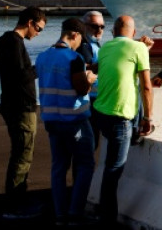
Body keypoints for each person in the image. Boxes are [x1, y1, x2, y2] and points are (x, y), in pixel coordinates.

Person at [35, 18, 97, 226]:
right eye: (81, 39)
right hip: (75, 120)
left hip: (51, 120)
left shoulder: (43, 57)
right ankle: (75, 212)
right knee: (86, 165)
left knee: (59, 167)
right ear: (75, 35)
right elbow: (81, 88)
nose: (81, 44)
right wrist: (89, 78)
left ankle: (60, 213)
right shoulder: (74, 58)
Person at [93, 15, 155, 224]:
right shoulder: (138, 49)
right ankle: (107, 219)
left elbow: (121, 69)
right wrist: (148, 117)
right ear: (134, 32)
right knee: (113, 171)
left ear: (113, 31)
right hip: (120, 118)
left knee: (110, 166)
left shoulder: (105, 48)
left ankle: (104, 213)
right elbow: (146, 86)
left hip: (101, 113)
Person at [0, 6, 46, 220]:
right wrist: (39, 68)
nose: (38, 33)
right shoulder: (14, 43)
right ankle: (15, 205)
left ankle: (17, 200)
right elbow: (19, 76)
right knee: (23, 155)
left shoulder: (7, 41)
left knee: (21, 153)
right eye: (39, 29)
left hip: (11, 104)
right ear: (30, 22)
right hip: (20, 107)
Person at [77, 10, 105, 148]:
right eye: (94, 26)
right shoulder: (84, 45)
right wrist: (108, 63)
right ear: (84, 25)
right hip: (88, 101)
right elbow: (86, 68)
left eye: (102, 27)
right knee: (88, 143)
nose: (99, 30)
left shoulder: (94, 43)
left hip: (95, 99)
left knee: (91, 142)